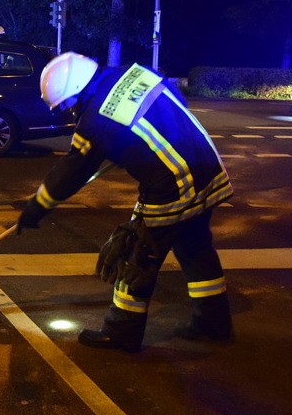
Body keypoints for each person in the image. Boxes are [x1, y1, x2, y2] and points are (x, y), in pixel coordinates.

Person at [17, 52, 234, 353]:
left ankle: (121, 332)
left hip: (172, 186)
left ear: (77, 92)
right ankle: (214, 322)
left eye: (68, 106)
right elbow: (168, 109)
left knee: (137, 254)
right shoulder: (136, 73)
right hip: (207, 169)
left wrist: (37, 207)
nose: (70, 114)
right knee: (195, 247)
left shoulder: (95, 121)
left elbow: (73, 169)